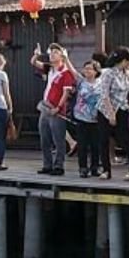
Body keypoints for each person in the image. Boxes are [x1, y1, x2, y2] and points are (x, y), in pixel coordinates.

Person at [31, 43, 77, 176]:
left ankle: (59, 166)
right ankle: (47, 165)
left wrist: (58, 107)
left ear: (62, 56)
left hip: (57, 109)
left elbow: (66, 93)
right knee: (44, 138)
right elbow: (34, 63)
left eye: (55, 52)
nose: (52, 54)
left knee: (59, 139)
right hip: (45, 107)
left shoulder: (65, 72)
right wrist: (36, 55)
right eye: (51, 52)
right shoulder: (50, 69)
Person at [97, 46, 129, 181]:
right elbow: (105, 95)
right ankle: (105, 170)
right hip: (105, 110)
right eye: (128, 61)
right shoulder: (108, 73)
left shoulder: (127, 73)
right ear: (122, 60)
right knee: (103, 140)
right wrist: (110, 114)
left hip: (122, 108)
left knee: (126, 140)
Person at [73, 60, 103, 178]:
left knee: (96, 145)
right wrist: (66, 59)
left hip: (96, 118)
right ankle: (83, 168)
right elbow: (73, 72)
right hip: (81, 117)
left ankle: (95, 167)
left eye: (90, 69)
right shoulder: (81, 82)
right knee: (82, 144)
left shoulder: (101, 83)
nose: (87, 71)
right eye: (85, 68)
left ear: (96, 71)